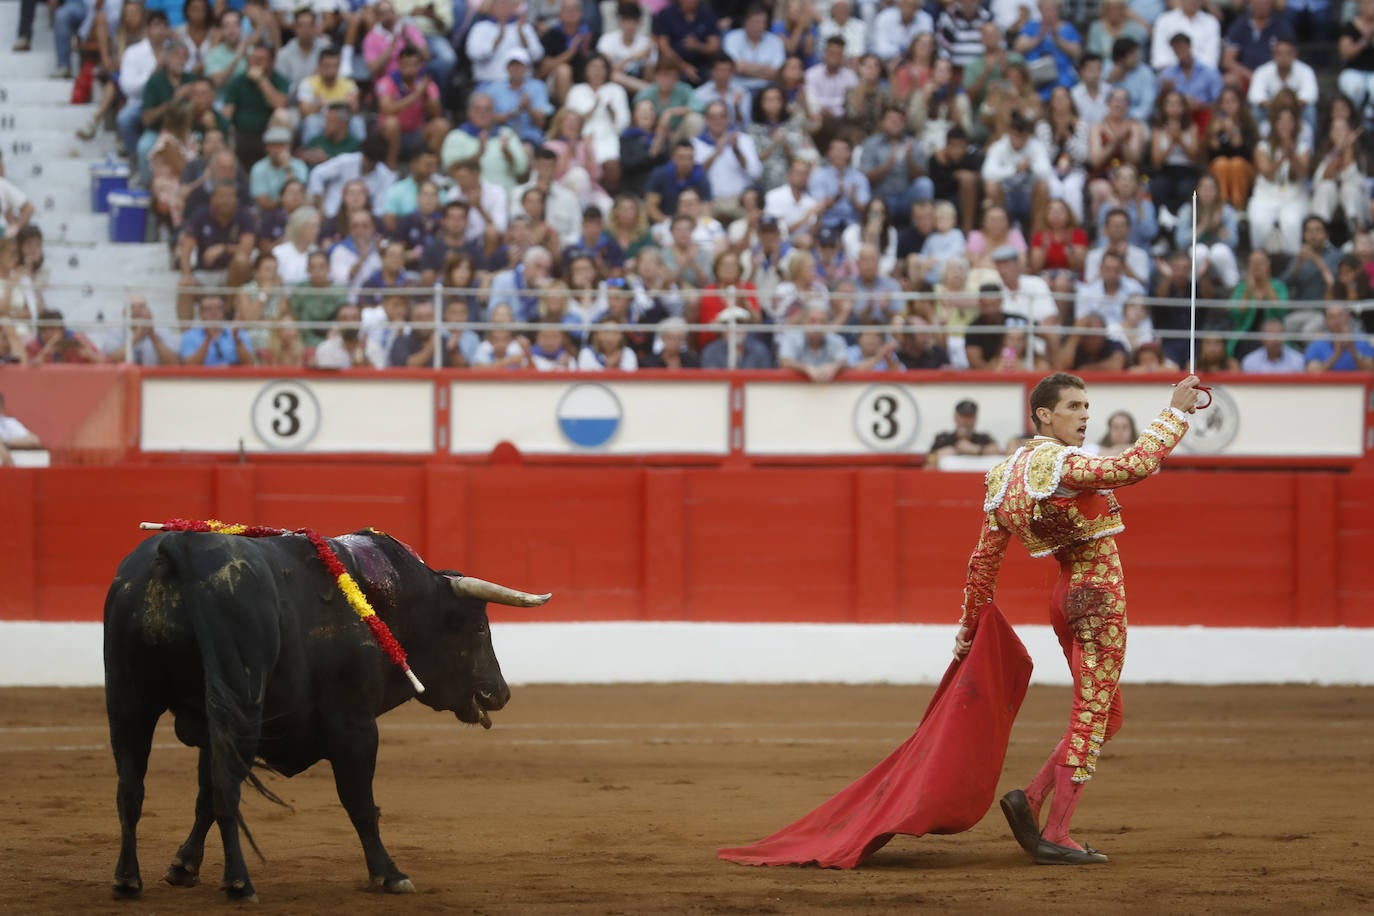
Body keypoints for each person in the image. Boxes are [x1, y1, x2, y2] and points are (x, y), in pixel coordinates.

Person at [958, 372, 1201, 865]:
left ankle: (1030, 796)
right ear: (1044, 415)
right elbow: (1135, 466)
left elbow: (983, 562)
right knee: (1091, 715)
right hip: (1097, 596)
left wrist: (968, 628)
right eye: (1074, 406)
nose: (1085, 415)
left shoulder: (1004, 475)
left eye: (1087, 406)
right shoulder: (1063, 465)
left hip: (1064, 596)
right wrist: (1175, 412)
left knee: (1106, 713)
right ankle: (1057, 832)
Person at [929, 399, 1001, 462]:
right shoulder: (943, 439)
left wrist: (975, 449)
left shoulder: (983, 438)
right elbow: (928, 463)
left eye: (970, 417)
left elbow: (997, 451)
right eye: (963, 417)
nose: (966, 421)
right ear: (955, 417)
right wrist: (955, 450)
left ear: (975, 418)